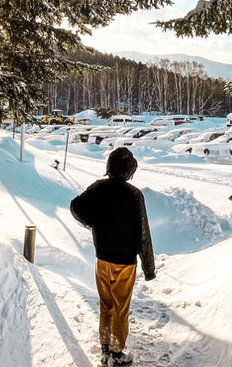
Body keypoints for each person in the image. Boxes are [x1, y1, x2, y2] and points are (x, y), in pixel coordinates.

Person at [70, 147, 155, 366]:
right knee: (120, 308)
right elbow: (143, 234)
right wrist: (149, 268)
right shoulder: (135, 195)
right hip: (125, 263)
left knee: (106, 304)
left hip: (102, 260)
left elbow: (75, 207)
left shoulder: (98, 187)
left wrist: (90, 221)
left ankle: (105, 348)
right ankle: (117, 353)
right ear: (128, 172)